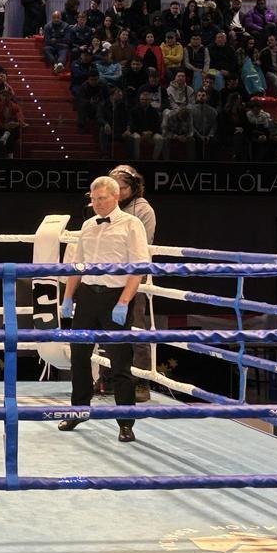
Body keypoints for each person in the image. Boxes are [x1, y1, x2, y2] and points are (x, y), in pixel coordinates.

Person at [59, 175, 149, 443]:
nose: (97, 203)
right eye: (94, 198)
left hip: (115, 298)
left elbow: (139, 266)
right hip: (87, 296)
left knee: (121, 362)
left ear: (116, 197)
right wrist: (68, 297)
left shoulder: (132, 225)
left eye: (102, 198)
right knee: (79, 357)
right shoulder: (87, 225)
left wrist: (124, 302)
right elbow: (78, 264)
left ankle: (125, 423)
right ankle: (78, 411)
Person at [110, 165, 156, 402]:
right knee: (106, 326)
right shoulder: (106, 207)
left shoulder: (143, 210)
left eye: (123, 188)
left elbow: (142, 248)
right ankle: (109, 376)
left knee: (136, 327)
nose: (118, 192)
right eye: (114, 187)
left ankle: (141, 382)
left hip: (134, 274)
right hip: (108, 275)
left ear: (134, 188)